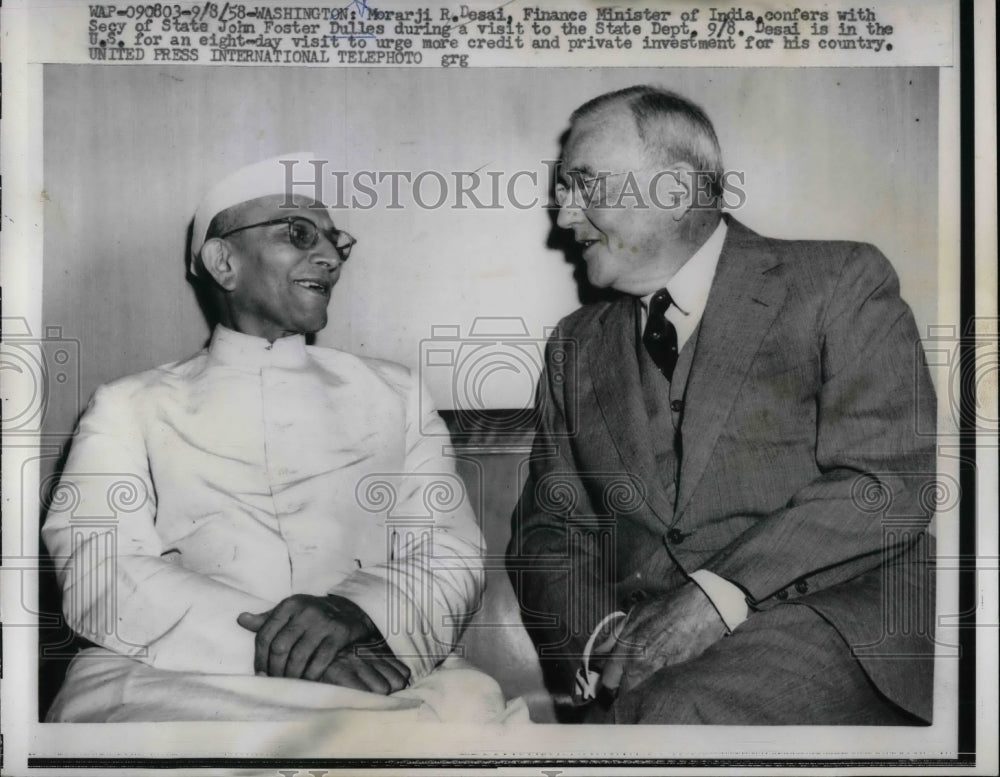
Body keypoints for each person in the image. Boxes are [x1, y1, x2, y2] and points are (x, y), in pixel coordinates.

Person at [42, 152, 522, 726]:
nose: (328, 258)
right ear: (223, 261)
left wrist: (355, 611)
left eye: (334, 241)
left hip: (377, 661)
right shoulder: (129, 403)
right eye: (298, 233)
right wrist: (288, 648)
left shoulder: (396, 394)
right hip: (173, 673)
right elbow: (99, 565)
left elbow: (449, 550)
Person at [508, 87, 936, 725]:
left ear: (676, 192)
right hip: (645, 661)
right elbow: (549, 531)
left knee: (673, 712)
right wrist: (600, 641)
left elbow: (887, 482)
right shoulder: (574, 344)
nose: (563, 215)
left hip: (828, 625)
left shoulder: (841, 282)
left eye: (583, 185)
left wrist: (712, 598)